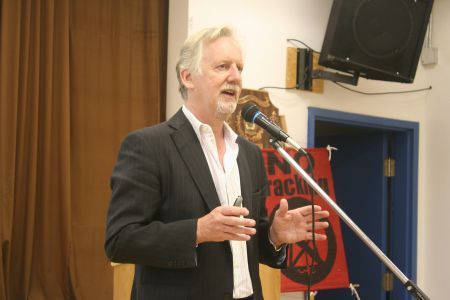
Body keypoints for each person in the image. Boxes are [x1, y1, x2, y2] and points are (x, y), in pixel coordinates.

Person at [105, 26, 329, 300]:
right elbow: (120, 240)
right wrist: (197, 231)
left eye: (239, 68)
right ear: (188, 77)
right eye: (223, 66)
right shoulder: (149, 146)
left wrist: (273, 235)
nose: (235, 77)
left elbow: (248, 242)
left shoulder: (249, 154)